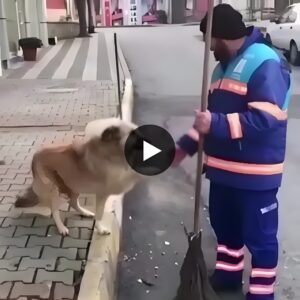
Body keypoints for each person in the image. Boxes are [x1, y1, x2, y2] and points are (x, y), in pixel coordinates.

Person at [173, 4, 291, 300]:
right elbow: (208, 123)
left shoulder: (265, 63)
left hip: (255, 177)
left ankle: (261, 294)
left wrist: (215, 122)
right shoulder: (219, 68)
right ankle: (227, 276)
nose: (207, 48)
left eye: (209, 41)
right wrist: (183, 148)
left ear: (221, 37)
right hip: (223, 173)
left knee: (261, 240)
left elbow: (266, 118)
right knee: (226, 232)